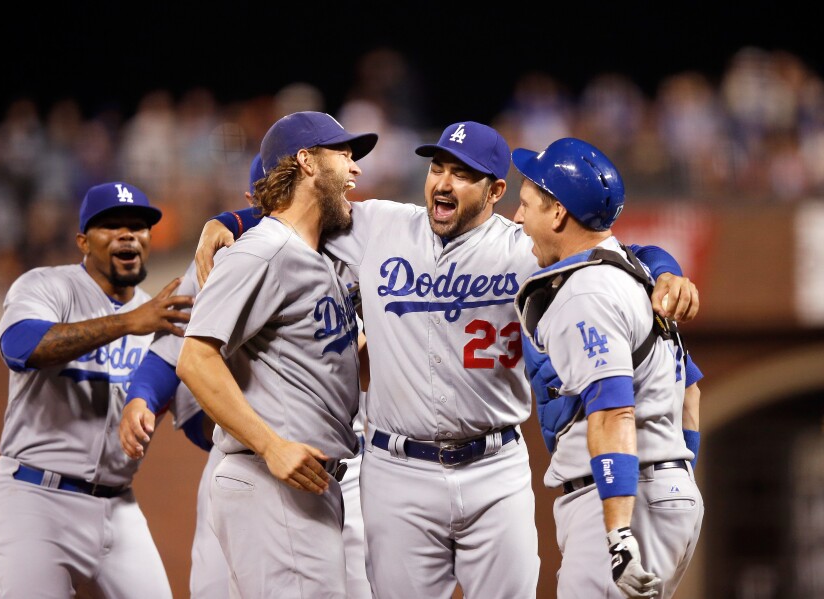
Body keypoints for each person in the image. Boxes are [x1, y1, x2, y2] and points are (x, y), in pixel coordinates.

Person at [194, 120, 701, 598]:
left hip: (495, 466)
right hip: (397, 470)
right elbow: (303, 209)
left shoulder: (524, 247)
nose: (444, 181)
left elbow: (609, 250)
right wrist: (226, 221)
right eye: (438, 167)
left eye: (462, 174)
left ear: (496, 192)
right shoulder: (378, 226)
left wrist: (666, 269)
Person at [119, 152, 373, 598]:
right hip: (255, 455)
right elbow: (181, 353)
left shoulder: (342, 248)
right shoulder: (233, 258)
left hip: (340, 461)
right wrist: (142, 399)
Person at [511, 137, 704, 598]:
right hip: (658, 490)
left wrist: (619, 533)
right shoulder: (634, 272)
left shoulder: (587, 292)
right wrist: (677, 480)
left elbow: (612, 411)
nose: (518, 218)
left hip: (622, 501)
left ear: (558, 213)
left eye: (526, 205)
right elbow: (691, 393)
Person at [0, 181, 194, 598]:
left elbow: (192, 415)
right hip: (34, 501)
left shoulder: (157, 316)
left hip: (119, 508)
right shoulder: (47, 286)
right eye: (110, 226)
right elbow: (20, 346)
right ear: (83, 241)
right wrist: (128, 324)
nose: (127, 234)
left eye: (138, 226)